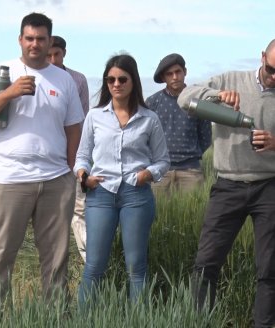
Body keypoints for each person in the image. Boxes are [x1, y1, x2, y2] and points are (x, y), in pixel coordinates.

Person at [0, 13, 84, 306]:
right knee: (1, 257)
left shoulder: (65, 80)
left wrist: (70, 174)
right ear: (20, 40)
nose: (35, 44)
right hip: (9, 179)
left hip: (56, 181)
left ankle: (56, 316)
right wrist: (9, 92)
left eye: (41, 39)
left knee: (57, 260)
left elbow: (74, 130)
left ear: (50, 42)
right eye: (29, 38)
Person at [177, 39, 275, 328]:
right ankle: (201, 322)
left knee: (270, 268)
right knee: (206, 262)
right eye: (271, 69)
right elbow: (185, 98)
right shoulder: (229, 79)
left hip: (269, 188)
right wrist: (217, 95)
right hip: (227, 185)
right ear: (262, 58)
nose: (274, 77)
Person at [75, 53, 170, 306]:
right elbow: (82, 156)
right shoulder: (94, 117)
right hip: (100, 194)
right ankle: (84, 320)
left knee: (136, 267)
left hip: (135, 195)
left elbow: (163, 160)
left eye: (122, 79)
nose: (116, 84)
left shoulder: (149, 119)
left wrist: (147, 174)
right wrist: (84, 176)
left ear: (133, 81)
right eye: (110, 80)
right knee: (94, 265)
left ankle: (137, 318)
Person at [47, 35, 89, 261]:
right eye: (49, 55)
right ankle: (54, 256)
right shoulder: (38, 78)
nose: (53, 59)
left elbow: (81, 121)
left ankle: (87, 259)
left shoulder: (78, 80)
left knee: (79, 209)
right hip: (48, 155)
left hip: (73, 154)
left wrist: (78, 158)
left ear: (64, 53)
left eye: (57, 54)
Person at [146, 53, 211, 193]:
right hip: (159, 171)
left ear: (185, 72)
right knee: (157, 214)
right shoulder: (152, 102)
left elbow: (206, 136)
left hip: (191, 171)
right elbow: (145, 136)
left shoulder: (198, 101)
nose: (175, 77)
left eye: (178, 72)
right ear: (163, 77)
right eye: (169, 74)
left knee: (194, 213)